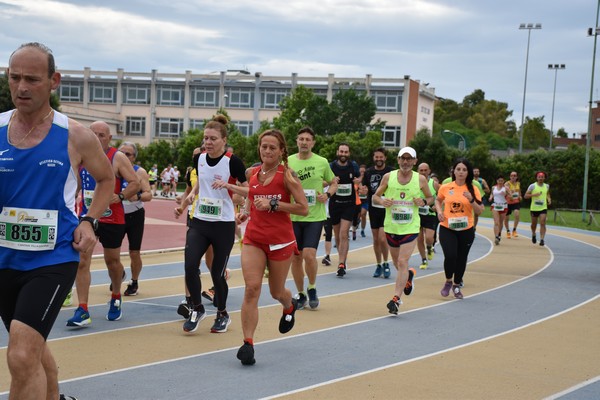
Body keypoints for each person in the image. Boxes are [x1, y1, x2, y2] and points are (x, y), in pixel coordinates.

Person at [0, 42, 114, 400]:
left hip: (53, 257)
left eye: (32, 79)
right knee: (31, 349)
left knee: (20, 354)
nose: (21, 87)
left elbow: (107, 180)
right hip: (4, 257)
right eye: (14, 77)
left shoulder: (76, 135)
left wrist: (90, 221)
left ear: (54, 81)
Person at [234, 129, 308, 366]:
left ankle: (289, 305)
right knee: (251, 288)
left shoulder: (288, 175)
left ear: (281, 151)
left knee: (277, 292)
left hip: (280, 241)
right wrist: (245, 212)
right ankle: (248, 344)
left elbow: (303, 208)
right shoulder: (252, 173)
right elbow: (252, 195)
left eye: (272, 148)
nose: (267, 151)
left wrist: (274, 204)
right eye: (263, 146)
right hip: (254, 238)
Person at [178, 115, 247, 334]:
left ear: (224, 140)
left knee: (217, 273)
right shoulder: (199, 158)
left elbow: (248, 190)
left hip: (223, 224)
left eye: (213, 139)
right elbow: (201, 181)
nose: (208, 142)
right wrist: (191, 196)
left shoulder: (233, 162)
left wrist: (229, 187)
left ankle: (223, 314)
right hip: (200, 221)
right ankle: (197, 308)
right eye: (205, 138)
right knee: (190, 265)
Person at [67, 121, 140, 326]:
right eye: (93, 133)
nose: (97, 138)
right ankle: (82, 309)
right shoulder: (81, 154)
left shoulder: (117, 157)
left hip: (112, 218)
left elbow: (135, 182)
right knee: (82, 260)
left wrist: (120, 195)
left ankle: (116, 295)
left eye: (101, 135)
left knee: (112, 262)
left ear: (109, 138)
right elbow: (77, 184)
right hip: (87, 218)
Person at [372, 147, 433, 315]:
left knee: (402, 262)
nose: (405, 162)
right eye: (402, 158)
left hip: (411, 227)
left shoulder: (420, 179)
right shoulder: (388, 177)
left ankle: (396, 299)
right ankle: (408, 278)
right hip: (391, 227)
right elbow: (375, 197)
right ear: (398, 160)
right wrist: (382, 200)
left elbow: (430, 198)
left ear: (414, 161)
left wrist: (423, 202)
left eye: (409, 159)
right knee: (396, 263)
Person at [288, 127, 336, 310]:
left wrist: (328, 195)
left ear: (313, 143)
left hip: (314, 216)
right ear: (297, 141)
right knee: (295, 257)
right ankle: (300, 293)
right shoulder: (288, 162)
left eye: (308, 139)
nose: (304, 142)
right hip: (293, 216)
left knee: (309, 255)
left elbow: (333, 183)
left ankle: (312, 287)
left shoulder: (322, 162)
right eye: (301, 139)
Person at [434, 158, 484, 299]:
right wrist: (439, 211)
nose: (461, 172)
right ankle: (448, 281)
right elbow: (438, 200)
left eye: (464, 170)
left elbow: (479, 211)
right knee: (450, 256)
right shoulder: (446, 187)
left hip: (466, 229)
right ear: (454, 171)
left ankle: (456, 285)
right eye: (458, 169)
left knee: (461, 258)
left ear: (468, 172)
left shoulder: (473, 189)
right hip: (447, 227)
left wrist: (471, 200)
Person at [118, 142, 153, 296]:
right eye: (121, 153)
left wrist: (137, 196)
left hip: (135, 215)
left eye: (128, 154)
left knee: (134, 252)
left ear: (134, 157)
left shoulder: (140, 172)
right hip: (115, 214)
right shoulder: (111, 169)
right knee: (111, 252)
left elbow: (149, 194)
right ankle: (118, 275)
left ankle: (134, 281)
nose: (124, 156)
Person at [329, 143, 361, 277]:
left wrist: (357, 181)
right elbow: (324, 181)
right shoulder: (331, 166)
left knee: (343, 233)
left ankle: (342, 263)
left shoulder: (353, 166)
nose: (343, 154)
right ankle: (340, 260)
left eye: (346, 152)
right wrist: (331, 180)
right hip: (335, 204)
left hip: (349, 204)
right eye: (341, 151)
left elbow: (359, 178)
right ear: (338, 152)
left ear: (349, 153)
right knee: (337, 234)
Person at [361, 147, 393, 278]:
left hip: (386, 210)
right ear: (374, 158)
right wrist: (363, 191)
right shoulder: (369, 172)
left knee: (382, 239)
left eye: (381, 157)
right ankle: (378, 264)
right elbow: (365, 188)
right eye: (376, 157)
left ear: (385, 158)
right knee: (375, 240)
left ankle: (386, 263)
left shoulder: (391, 172)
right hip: (373, 209)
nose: (379, 159)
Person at [416, 162, 440, 270]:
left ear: (429, 171)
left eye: (425, 170)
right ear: (418, 172)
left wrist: (437, 206)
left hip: (430, 213)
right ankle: (424, 259)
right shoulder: (414, 183)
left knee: (429, 237)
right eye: (421, 170)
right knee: (419, 238)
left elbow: (442, 196)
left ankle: (429, 247)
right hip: (417, 214)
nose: (423, 172)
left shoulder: (433, 183)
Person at [524, 171, 552, 246]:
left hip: (543, 208)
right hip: (534, 208)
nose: (540, 178)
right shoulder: (532, 186)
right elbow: (525, 196)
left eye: (542, 177)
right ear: (537, 178)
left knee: (543, 222)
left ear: (544, 178)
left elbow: (547, 194)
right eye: (539, 177)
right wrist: (534, 194)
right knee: (534, 224)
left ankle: (542, 239)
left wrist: (549, 199)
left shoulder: (547, 186)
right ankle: (533, 234)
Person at [489, 174, 509, 245]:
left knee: (500, 222)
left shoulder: (506, 188)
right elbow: (492, 194)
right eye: (499, 180)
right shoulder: (493, 187)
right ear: (497, 181)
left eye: (502, 181)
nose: (500, 182)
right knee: (496, 222)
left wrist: (506, 193)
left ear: (503, 181)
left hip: (503, 206)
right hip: (495, 205)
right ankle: (496, 237)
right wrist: (491, 197)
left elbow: (511, 196)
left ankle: (499, 233)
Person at [504, 171, 522, 238]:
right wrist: (510, 195)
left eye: (514, 175)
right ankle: (508, 231)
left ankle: (514, 230)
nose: (513, 177)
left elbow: (519, 192)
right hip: (508, 202)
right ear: (510, 176)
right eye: (512, 175)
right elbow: (506, 191)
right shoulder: (507, 183)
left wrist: (520, 196)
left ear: (516, 177)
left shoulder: (518, 183)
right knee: (506, 218)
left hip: (515, 202)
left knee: (517, 214)